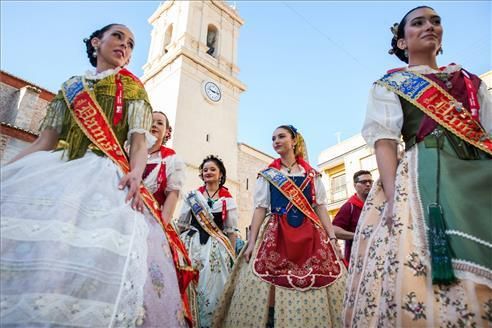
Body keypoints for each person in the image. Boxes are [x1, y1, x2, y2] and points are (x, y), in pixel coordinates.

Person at [0, 24, 186, 327]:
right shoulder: (71, 86)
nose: (124, 45)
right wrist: (8, 171)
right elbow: (44, 141)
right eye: (118, 37)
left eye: (131, 43)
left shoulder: (134, 87)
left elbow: (138, 143)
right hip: (59, 168)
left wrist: (136, 173)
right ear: (96, 42)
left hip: (105, 172)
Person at [343, 6, 492, 327]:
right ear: (401, 42)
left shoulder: (469, 81)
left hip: (479, 179)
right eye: (418, 22)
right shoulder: (391, 84)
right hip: (425, 177)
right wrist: (396, 199)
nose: (429, 27)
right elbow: (384, 141)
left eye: (436, 21)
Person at [213, 125, 346, 328]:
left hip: (310, 234)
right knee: (266, 281)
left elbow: (320, 208)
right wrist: (251, 242)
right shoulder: (268, 175)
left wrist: (333, 239)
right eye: (273, 138)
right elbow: (260, 209)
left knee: (321, 277)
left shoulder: (313, 175)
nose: (276, 141)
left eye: (281, 136)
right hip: (276, 232)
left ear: (294, 141)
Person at [140, 110, 191, 327]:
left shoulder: (171, 160)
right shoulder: (126, 150)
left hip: (151, 223)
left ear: (167, 131)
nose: (154, 125)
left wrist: (160, 228)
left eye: (160, 122)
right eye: (150, 121)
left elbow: (172, 197)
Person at [178, 155, 238, 328]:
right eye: (205, 170)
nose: (208, 172)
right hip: (192, 245)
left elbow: (230, 231)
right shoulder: (192, 196)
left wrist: (232, 255)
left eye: (212, 169)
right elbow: (182, 224)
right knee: (189, 283)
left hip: (216, 248)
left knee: (214, 289)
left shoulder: (228, 200)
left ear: (220, 174)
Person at [332, 170, 373, 264]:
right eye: (363, 182)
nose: (368, 184)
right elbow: (334, 230)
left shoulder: (377, 204)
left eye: (370, 181)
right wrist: (358, 236)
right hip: (358, 259)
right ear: (355, 185)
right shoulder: (349, 207)